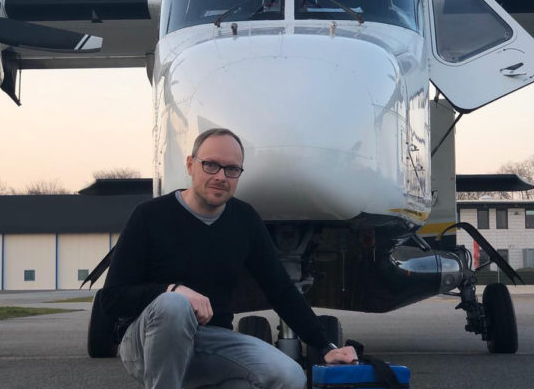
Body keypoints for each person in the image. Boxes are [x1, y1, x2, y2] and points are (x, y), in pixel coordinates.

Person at [101, 128, 357, 389]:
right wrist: (173, 290)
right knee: (174, 305)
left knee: (289, 375)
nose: (221, 177)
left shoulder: (244, 220)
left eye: (232, 169)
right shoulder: (149, 215)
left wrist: (325, 346)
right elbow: (111, 299)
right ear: (190, 165)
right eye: (210, 165)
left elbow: (281, 290)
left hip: (210, 341)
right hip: (147, 344)